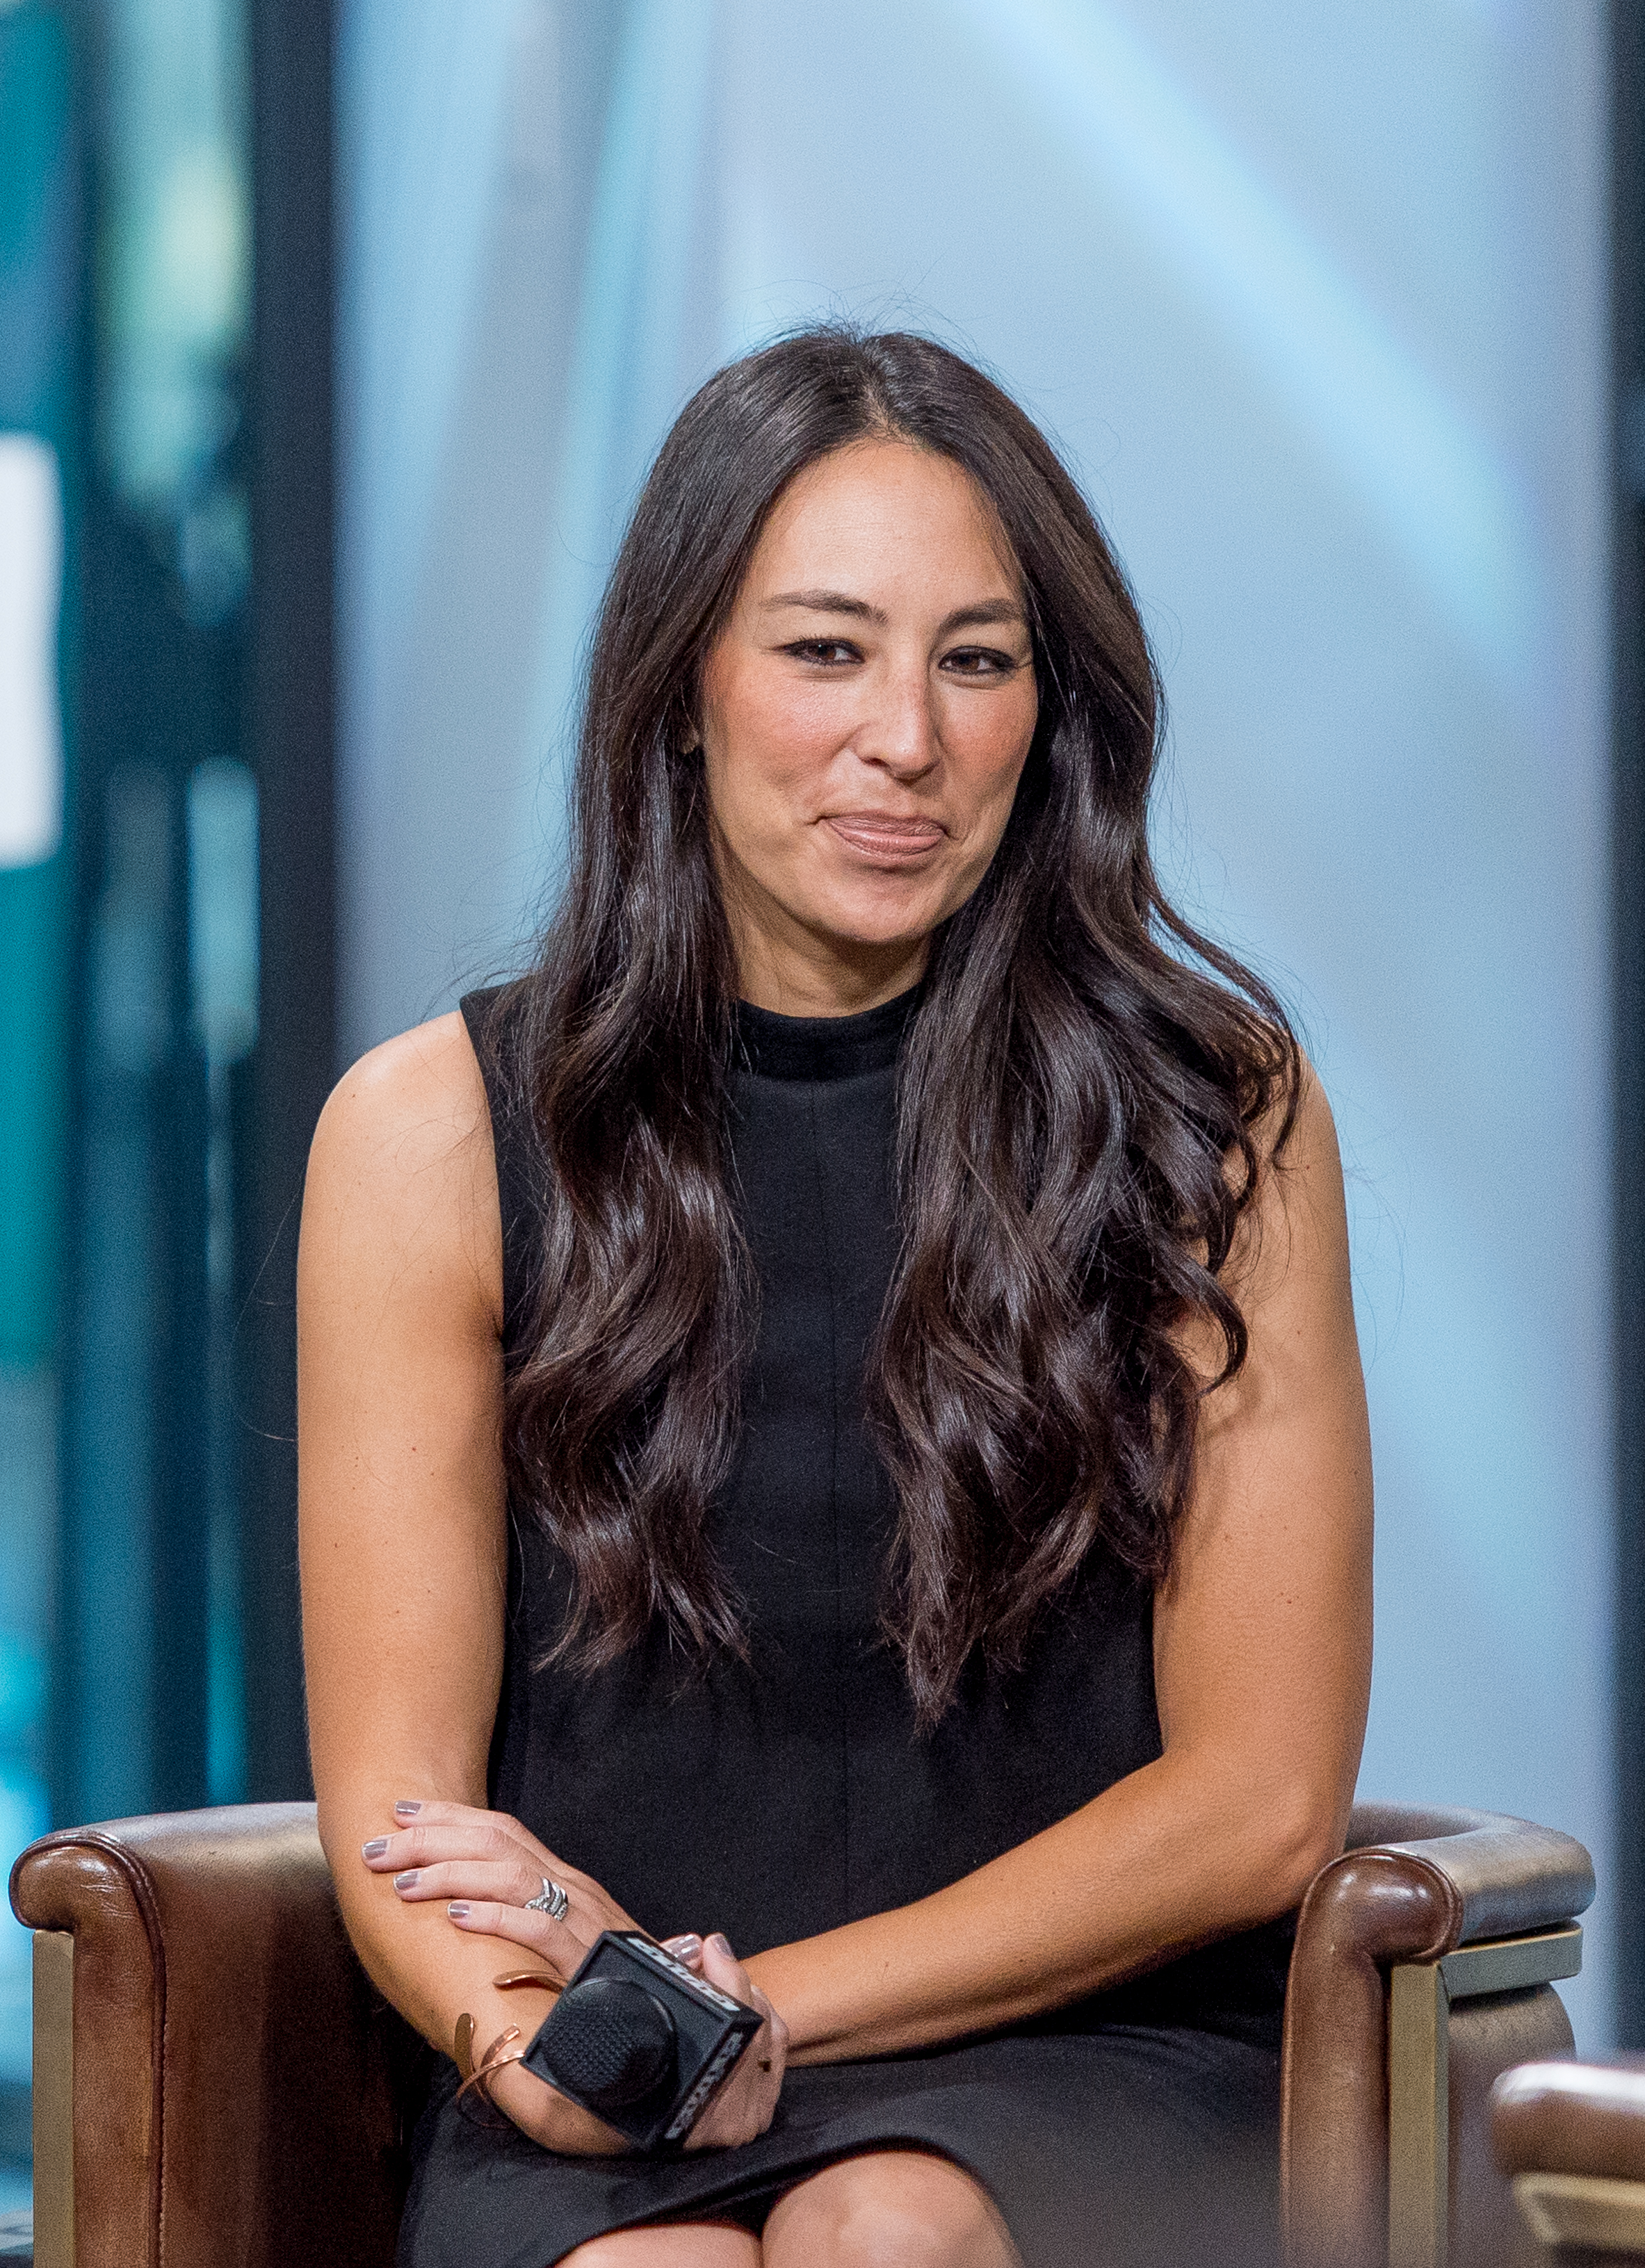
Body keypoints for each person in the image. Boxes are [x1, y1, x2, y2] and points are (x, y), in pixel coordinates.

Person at [298, 327, 1368, 2268]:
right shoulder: (430, 1136)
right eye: (824, 650)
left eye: (978, 661)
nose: (908, 737)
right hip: (612, 2072)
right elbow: (403, 1814)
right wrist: (549, 2046)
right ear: (684, 690)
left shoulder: (1215, 1117)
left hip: (1086, 2051)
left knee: (886, 2232)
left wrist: (749, 1996)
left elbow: (1264, 1804)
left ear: (1052, 713)